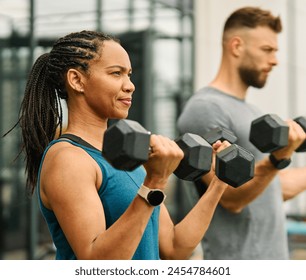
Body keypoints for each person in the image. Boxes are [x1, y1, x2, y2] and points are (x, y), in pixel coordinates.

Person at [7, 30, 232, 260]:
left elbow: (174, 248)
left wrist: (218, 184)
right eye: (116, 73)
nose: (130, 85)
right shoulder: (68, 159)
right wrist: (155, 182)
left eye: (129, 75)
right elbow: (97, 263)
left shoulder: (127, 160)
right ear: (77, 80)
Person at [177, 7, 306, 259]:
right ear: (236, 46)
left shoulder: (251, 110)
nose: (275, 60)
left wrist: (279, 160)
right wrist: (277, 159)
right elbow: (231, 197)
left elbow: (271, 188)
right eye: (267, 50)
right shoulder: (205, 108)